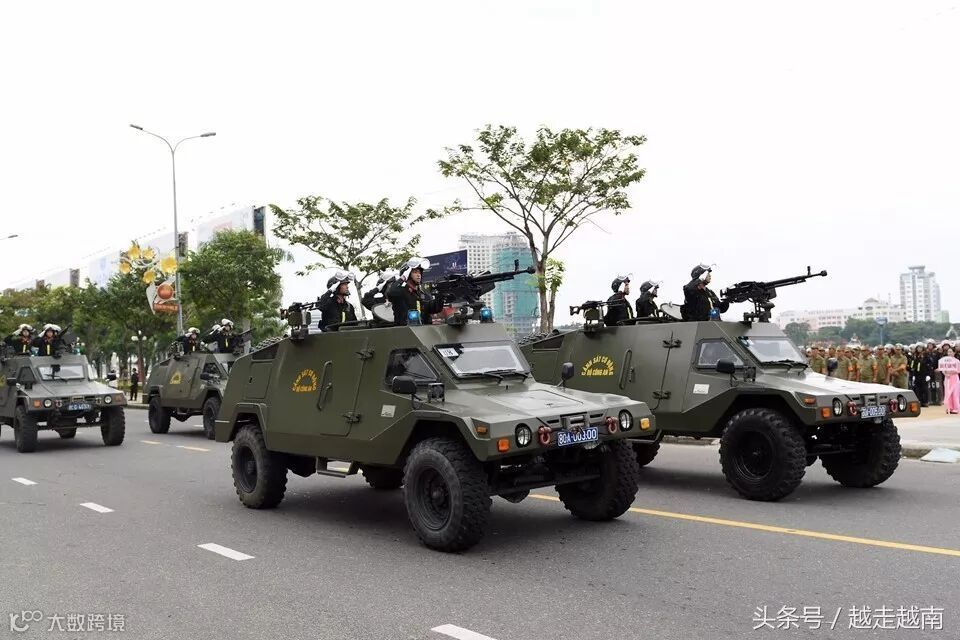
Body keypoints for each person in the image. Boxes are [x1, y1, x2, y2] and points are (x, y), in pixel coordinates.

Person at [387, 257, 445, 326]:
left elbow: (432, 308)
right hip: (405, 330)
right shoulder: (401, 291)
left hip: (423, 329)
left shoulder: (420, 293)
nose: (419, 275)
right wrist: (403, 278)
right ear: (408, 274)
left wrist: (441, 296)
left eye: (419, 272)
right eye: (415, 272)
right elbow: (391, 293)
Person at [936, 348, 960, 414]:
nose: (949, 353)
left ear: (954, 353)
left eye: (951, 352)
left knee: (955, 393)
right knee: (947, 393)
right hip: (947, 378)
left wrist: (951, 373)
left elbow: (958, 370)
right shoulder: (944, 361)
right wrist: (945, 373)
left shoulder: (957, 361)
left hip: (954, 378)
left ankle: (955, 408)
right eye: (948, 352)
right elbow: (942, 369)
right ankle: (949, 407)